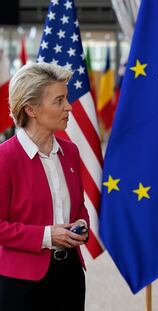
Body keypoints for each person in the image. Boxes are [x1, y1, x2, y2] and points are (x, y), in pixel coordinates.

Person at [0, 63, 89, 310]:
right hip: (21, 283)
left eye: (66, 99)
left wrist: (81, 225)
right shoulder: (4, 158)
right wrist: (48, 236)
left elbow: (79, 205)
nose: (69, 107)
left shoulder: (70, 152)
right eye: (59, 101)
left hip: (70, 275)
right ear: (31, 109)